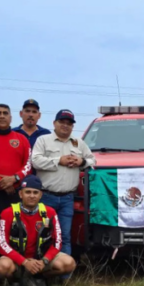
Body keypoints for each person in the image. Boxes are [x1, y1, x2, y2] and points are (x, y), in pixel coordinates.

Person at [0, 176, 77, 286]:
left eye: (35, 192)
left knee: (68, 263)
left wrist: (44, 261)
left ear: (40, 195)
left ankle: (39, 279)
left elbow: (57, 242)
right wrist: (24, 261)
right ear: (21, 194)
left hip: (40, 260)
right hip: (17, 260)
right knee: (1, 267)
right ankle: (15, 282)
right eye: (28, 192)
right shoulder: (8, 213)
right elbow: (2, 244)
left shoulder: (50, 212)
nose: (32, 196)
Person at [30, 109, 96, 255]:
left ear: (72, 126)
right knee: (43, 234)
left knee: (65, 236)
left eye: (69, 123)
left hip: (67, 198)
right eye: (62, 122)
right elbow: (35, 161)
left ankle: (64, 275)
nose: (65, 126)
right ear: (54, 123)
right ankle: (42, 270)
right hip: (46, 197)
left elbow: (93, 160)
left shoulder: (78, 143)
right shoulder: (43, 140)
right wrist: (58, 160)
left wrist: (81, 161)